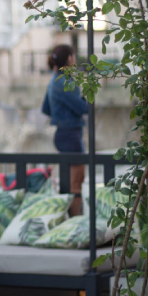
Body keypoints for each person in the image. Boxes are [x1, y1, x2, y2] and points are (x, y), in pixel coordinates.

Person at [42, 44, 88, 216]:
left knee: (69, 181)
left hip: (61, 133)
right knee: (76, 181)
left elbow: (46, 108)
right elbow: (82, 107)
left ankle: (69, 218)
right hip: (71, 134)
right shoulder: (65, 82)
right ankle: (74, 220)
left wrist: (60, 114)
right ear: (69, 59)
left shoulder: (54, 80)